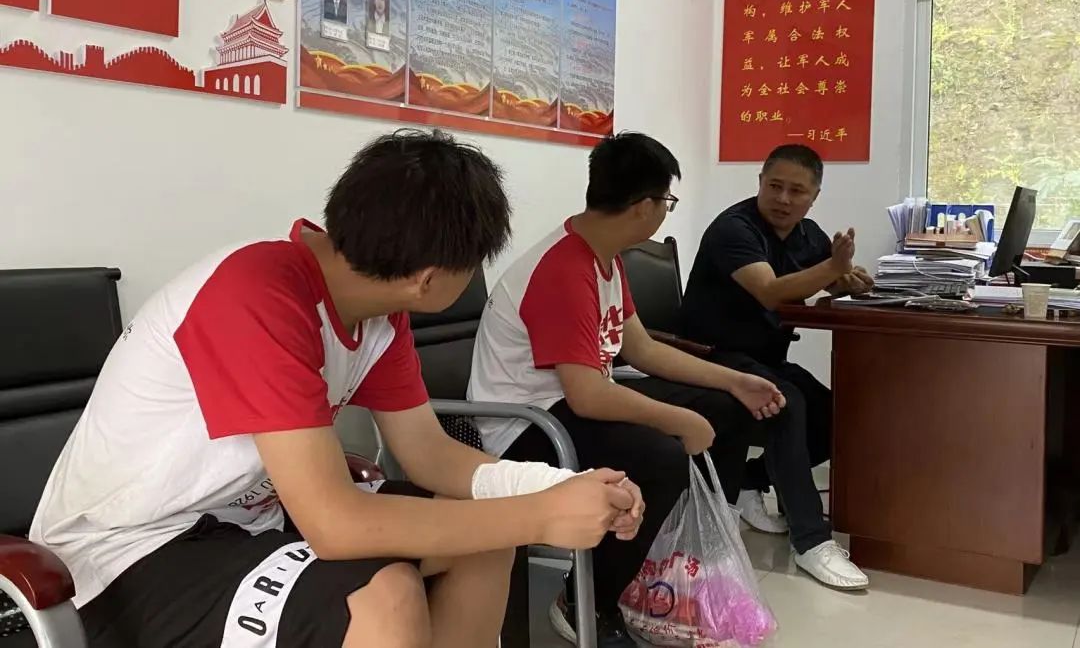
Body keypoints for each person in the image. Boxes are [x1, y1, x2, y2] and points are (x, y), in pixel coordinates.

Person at [30, 130, 645, 648]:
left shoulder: (378, 311)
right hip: (127, 555)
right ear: (430, 280)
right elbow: (335, 526)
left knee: (485, 538)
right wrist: (541, 514)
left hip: (250, 521)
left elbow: (429, 453)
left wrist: (553, 487)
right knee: (383, 593)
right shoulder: (255, 294)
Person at [467, 132, 786, 646]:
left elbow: (641, 350)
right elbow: (587, 395)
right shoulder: (562, 269)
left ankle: (682, 565)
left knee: (724, 409)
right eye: (666, 201)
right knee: (660, 456)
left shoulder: (605, 257)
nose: (665, 212)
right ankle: (586, 600)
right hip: (526, 425)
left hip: (569, 405)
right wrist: (678, 420)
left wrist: (736, 381)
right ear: (644, 206)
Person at [681, 143, 874, 590]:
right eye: (775, 186)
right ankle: (812, 541)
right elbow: (769, 291)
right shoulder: (734, 228)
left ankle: (750, 481)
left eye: (797, 191)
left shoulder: (808, 235)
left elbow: (828, 277)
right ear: (760, 183)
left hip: (765, 357)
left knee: (837, 417)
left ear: (814, 197)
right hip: (711, 356)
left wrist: (849, 280)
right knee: (786, 404)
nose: (783, 199)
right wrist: (832, 267)